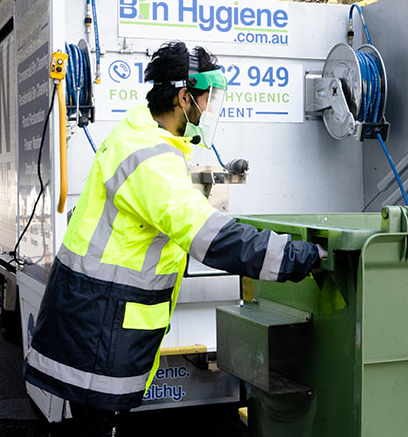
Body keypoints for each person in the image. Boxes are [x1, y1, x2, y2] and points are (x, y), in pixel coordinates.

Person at [24, 41, 324, 436]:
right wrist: (301, 256)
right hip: (101, 321)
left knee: (94, 422)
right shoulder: (151, 158)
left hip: (93, 311)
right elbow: (210, 237)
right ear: (185, 98)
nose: (211, 110)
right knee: (98, 425)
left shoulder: (137, 136)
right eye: (208, 100)